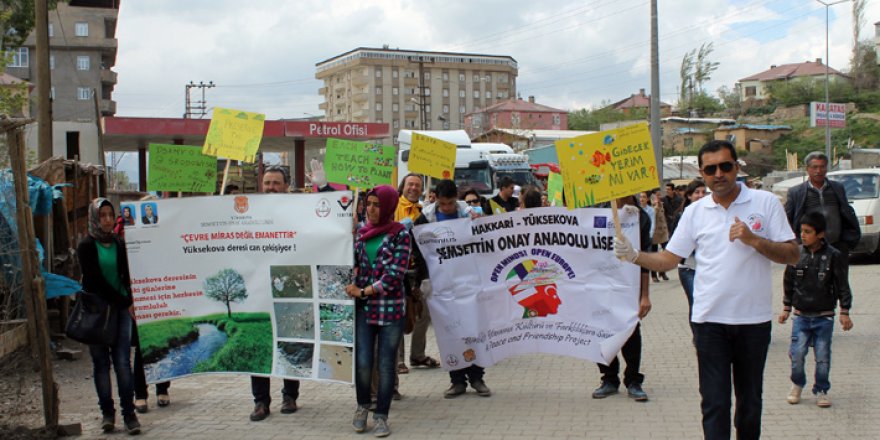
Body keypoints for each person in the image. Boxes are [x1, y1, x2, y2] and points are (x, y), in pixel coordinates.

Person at [613, 140, 799, 440]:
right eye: (711, 169)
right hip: (709, 322)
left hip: (753, 322)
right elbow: (669, 259)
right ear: (702, 173)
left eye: (725, 166)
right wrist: (634, 255)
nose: (719, 174)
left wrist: (755, 241)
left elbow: (792, 254)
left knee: (749, 404)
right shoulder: (695, 211)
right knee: (714, 403)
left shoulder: (764, 203)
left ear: (737, 167)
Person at [412, 180, 489, 398]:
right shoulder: (425, 219)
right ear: (435, 198)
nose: (446, 208)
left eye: (450, 203)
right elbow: (418, 252)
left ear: (457, 199)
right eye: (443, 204)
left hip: (469, 284)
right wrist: (424, 278)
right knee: (450, 333)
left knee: (473, 331)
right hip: (442, 287)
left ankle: (477, 377)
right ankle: (457, 380)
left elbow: (484, 240)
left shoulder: (470, 215)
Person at [346, 185, 412, 437]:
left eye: (377, 204)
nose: (371, 209)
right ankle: (362, 406)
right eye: (368, 204)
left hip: (390, 310)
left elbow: (394, 277)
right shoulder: (360, 234)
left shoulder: (400, 235)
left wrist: (363, 291)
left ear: (388, 207)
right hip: (365, 311)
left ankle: (382, 415)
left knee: (386, 365)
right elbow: (351, 266)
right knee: (363, 363)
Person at [77, 198, 141, 435]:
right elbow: (95, 281)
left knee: (123, 363)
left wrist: (131, 300)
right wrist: (125, 300)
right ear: (94, 218)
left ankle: (129, 414)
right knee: (101, 364)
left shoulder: (119, 244)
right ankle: (107, 413)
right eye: (101, 215)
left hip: (121, 312)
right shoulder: (86, 246)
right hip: (97, 312)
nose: (106, 219)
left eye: (109, 215)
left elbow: (126, 275)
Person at [779, 211, 853, 408]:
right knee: (797, 354)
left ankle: (821, 389)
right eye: (801, 231)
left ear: (820, 234)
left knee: (822, 357)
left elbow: (842, 284)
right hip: (801, 316)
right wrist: (786, 307)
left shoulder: (833, 256)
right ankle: (797, 384)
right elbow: (789, 281)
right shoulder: (797, 254)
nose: (803, 235)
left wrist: (845, 311)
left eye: (808, 231)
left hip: (824, 317)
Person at [249, 165, 300, 421]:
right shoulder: (251, 212)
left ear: (286, 186)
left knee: (290, 343)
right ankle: (260, 401)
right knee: (259, 343)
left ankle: (290, 395)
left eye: (276, 183)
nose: (270, 187)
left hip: (288, 289)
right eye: (267, 182)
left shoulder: (297, 211)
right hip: (258, 289)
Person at [592, 194, 652, 402]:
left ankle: (633, 380)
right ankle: (609, 379)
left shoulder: (640, 217)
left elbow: (646, 258)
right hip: (600, 285)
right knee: (602, 332)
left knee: (631, 332)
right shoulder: (595, 212)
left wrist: (644, 294)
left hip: (629, 286)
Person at [784, 151, 860, 265]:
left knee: (839, 281)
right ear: (807, 169)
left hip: (837, 246)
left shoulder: (837, 188)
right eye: (814, 167)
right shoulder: (796, 193)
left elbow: (846, 213)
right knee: (812, 281)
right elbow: (787, 220)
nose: (818, 171)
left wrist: (848, 240)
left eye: (822, 167)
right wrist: (798, 243)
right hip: (810, 249)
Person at [674, 180, 707, 323]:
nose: (700, 196)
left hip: (706, 268)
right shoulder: (681, 216)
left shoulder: (711, 215)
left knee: (707, 305)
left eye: (703, 192)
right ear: (689, 196)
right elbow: (674, 244)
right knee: (696, 304)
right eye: (697, 192)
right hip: (688, 268)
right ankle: (698, 338)